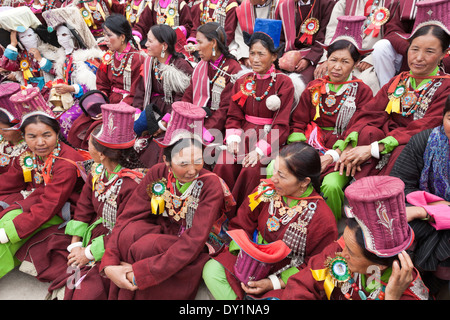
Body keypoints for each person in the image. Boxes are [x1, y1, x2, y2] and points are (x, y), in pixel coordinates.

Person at [99, 101, 235, 299]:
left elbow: (194, 240)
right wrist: (110, 261)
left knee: (145, 247)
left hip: (195, 245)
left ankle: (135, 281)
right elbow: (128, 216)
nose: (192, 170)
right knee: (129, 233)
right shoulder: (158, 172)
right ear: (166, 161)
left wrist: (141, 273)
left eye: (198, 161)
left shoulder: (210, 185)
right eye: (183, 163)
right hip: (163, 231)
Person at [17, 102, 147, 300]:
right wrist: (75, 244)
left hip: (118, 242)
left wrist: (89, 252)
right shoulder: (97, 170)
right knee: (45, 247)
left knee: (87, 286)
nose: (84, 148)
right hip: (95, 230)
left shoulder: (133, 184)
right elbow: (85, 207)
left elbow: (126, 230)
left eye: (89, 144)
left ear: (101, 154)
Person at [203, 142, 338, 300]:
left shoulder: (322, 218)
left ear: (304, 182)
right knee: (211, 271)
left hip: (286, 271)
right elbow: (242, 222)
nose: (273, 179)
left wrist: (273, 283)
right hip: (249, 257)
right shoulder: (266, 191)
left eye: (282, 175)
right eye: (274, 170)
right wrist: (243, 259)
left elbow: (316, 264)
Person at [335, 6, 450, 180]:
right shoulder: (398, 80)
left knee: (403, 150)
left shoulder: (446, 86)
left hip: (411, 145)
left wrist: (377, 147)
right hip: (385, 141)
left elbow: (428, 125)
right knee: (367, 131)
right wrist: (356, 139)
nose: (418, 57)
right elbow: (370, 112)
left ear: (444, 54)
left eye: (429, 52)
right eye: (414, 49)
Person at [282, 175, 430, 300]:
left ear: (380, 266)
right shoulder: (347, 248)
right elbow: (301, 284)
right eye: (345, 243)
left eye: (351, 253)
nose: (341, 254)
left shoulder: (409, 295)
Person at [289, 16, 374, 220]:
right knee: (277, 168)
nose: (337, 67)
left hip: (342, 152)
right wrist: (304, 150)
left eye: (345, 61)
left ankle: (330, 229)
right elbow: (298, 123)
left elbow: (359, 128)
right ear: (326, 60)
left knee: (332, 185)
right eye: (333, 60)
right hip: (310, 146)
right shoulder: (314, 86)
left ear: (355, 64)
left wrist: (334, 155)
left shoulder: (362, 91)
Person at [212, 19, 297, 218]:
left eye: (261, 54)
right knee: (224, 161)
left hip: (268, 139)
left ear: (274, 56)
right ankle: (217, 212)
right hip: (243, 136)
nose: (255, 59)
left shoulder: (284, 83)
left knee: (252, 169)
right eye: (252, 53)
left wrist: (260, 152)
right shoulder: (242, 80)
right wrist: (233, 140)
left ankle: (241, 217)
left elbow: (281, 124)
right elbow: (234, 115)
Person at [0, 87, 85, 279]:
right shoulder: (31, 154)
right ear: (24, 137)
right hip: (37, 202)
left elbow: (49, 205)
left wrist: (13, 231)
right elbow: (11, 180)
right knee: (4, 220)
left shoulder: (66, 163)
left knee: (6, 237)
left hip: (63, 209)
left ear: (57, 134)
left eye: (46, 135)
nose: (40, 142)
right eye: (32, 136)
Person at [390, 95, 450, 296]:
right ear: (443, 117)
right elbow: (399, 184)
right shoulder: (423, 142)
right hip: (424, 211)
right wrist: (425, 209)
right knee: (398, 224)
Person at [133, 24, 193, 168]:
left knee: (156, 149)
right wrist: (137, 113)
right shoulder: (150, 62)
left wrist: (165, 121)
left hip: (172, 114)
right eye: (146, 40)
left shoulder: (180, 66)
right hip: (152, 110)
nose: (145, 44)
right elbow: (141, 91)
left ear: (164, 45)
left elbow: (182, 99)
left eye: (150, 41)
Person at [42, 6, 103, 140]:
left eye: (64, 34)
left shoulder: (87, 57)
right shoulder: (63, 57)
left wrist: (70, 88)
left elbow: (94, 86)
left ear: (73, 36)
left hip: (85, 99)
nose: (60, 39)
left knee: (64, 119)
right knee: (46, 114)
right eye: (58, 35)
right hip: (66, 97)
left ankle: (75, 149)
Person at [314, 0, 401, 95]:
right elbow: (331, 33)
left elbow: (390, 36)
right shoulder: (344, 3)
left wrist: (371, 60)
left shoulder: (392, 3)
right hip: (341, 55)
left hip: (369, 59)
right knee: (322, 75)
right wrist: (328, 58)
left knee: (368, 81)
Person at [181, 22, 242, 135]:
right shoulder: (201, 66)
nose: (196, 48)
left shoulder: (233, 70)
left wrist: (204, 132)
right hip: (196, 120)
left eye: (199, 42)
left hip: (218, 128)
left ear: (213, 43)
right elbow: (188, 97)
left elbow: (225, 109)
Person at [372, 0, 450, 88]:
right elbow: (392, 31)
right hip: (407, 52)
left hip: (442, 55)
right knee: (381, 47)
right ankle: (388, 89)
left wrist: (437, 54)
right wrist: (413, 49)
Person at [0, 7, 61, 99]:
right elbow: (7, 65)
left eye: (30, 35)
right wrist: (13, 44)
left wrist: (40, 60)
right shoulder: (22, 55)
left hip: (49, 91)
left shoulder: (48, 49)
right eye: (23, 37)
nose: (28, 39)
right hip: (28, 92)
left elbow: (58, 71)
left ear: (36, 36)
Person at [276, 0, 336, 84]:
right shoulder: (284, 6)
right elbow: (280, 38)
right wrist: (281, 58)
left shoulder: (326, 3)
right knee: (276, 80)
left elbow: (324, 36)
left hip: (313, 54)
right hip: (287, 54)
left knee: (303, 83)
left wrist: (308, 59)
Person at [229, 0, 281, 67]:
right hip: (250, 54)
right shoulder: (244, 7)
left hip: (275, 56)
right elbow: (240, 36)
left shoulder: (279, 5)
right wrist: (246, 56)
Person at [0, 83, 28, 176]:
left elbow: (15, 179)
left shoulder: (28, 151)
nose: (1, 132)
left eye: (4, 129)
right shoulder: (3, 145)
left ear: (19, 127)